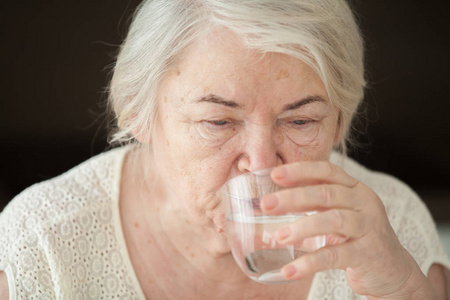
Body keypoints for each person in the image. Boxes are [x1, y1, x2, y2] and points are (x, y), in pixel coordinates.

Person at [0, 0, 449, 298]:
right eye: (217, 121)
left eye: (300, 121)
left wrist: (407, 289)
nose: (261, 162)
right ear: (138, 114)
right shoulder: (42, 247)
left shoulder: (393, 227)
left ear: (338, 123)